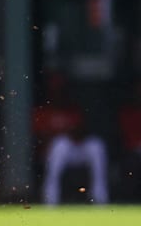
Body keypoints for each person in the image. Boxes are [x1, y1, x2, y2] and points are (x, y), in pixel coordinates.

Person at [33, 74, 109, 205]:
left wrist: (72, 133)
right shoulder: (42, 111)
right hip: (53, 154)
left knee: (96, 145)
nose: (58, 94)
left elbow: (81, 132)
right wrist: (61, 134)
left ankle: (99, 196)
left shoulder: (73, 110)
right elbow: (40, 137)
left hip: (74, 151)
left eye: (61, 90)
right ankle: (51, 197)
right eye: (55, 91)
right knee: (60, 144)